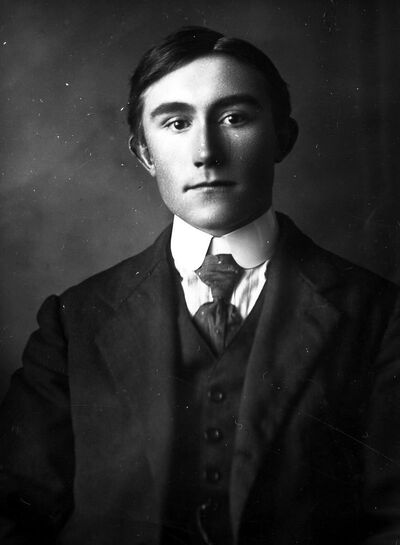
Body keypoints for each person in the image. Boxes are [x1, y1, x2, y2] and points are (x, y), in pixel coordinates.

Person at [0, 26, 400, 545]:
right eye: (176, 123)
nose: (206, 152)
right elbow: (14, 512)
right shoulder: (73, 321)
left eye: (234, 118)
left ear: (283, 137)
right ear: (145, 153)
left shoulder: (378, 314)